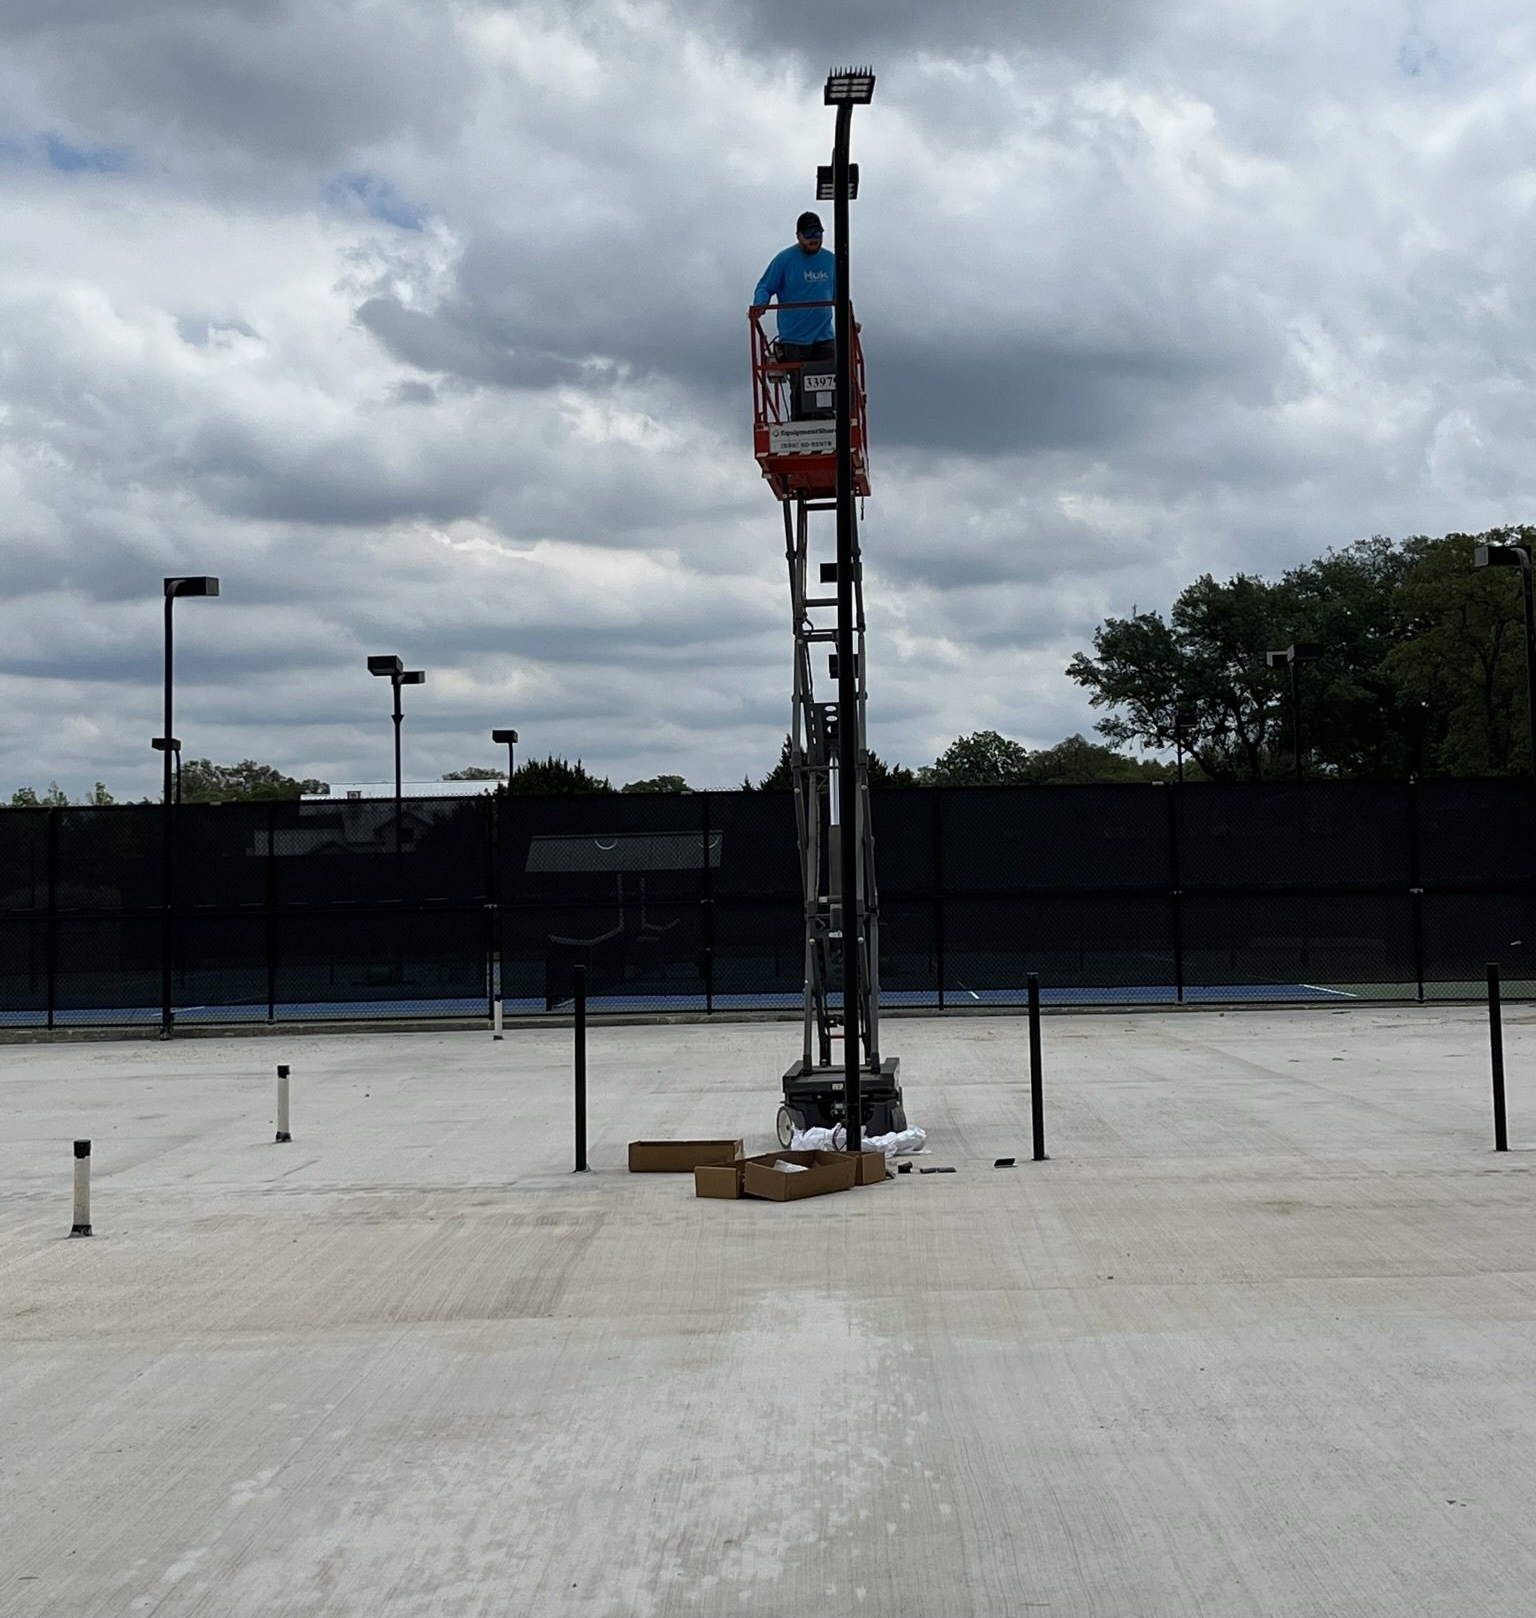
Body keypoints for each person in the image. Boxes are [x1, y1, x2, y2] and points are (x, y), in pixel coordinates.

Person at [753, 211, 835, 366]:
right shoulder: (784, 259)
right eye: (809, 234)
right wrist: (760, 304)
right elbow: (765, 286)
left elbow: (840, 296)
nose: (814, 239)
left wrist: (850, 321)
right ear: (798, 235)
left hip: (824, 336)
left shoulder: (831, 260)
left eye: (818, 234)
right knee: (800, 387)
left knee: (835, 384)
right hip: (794, 339)